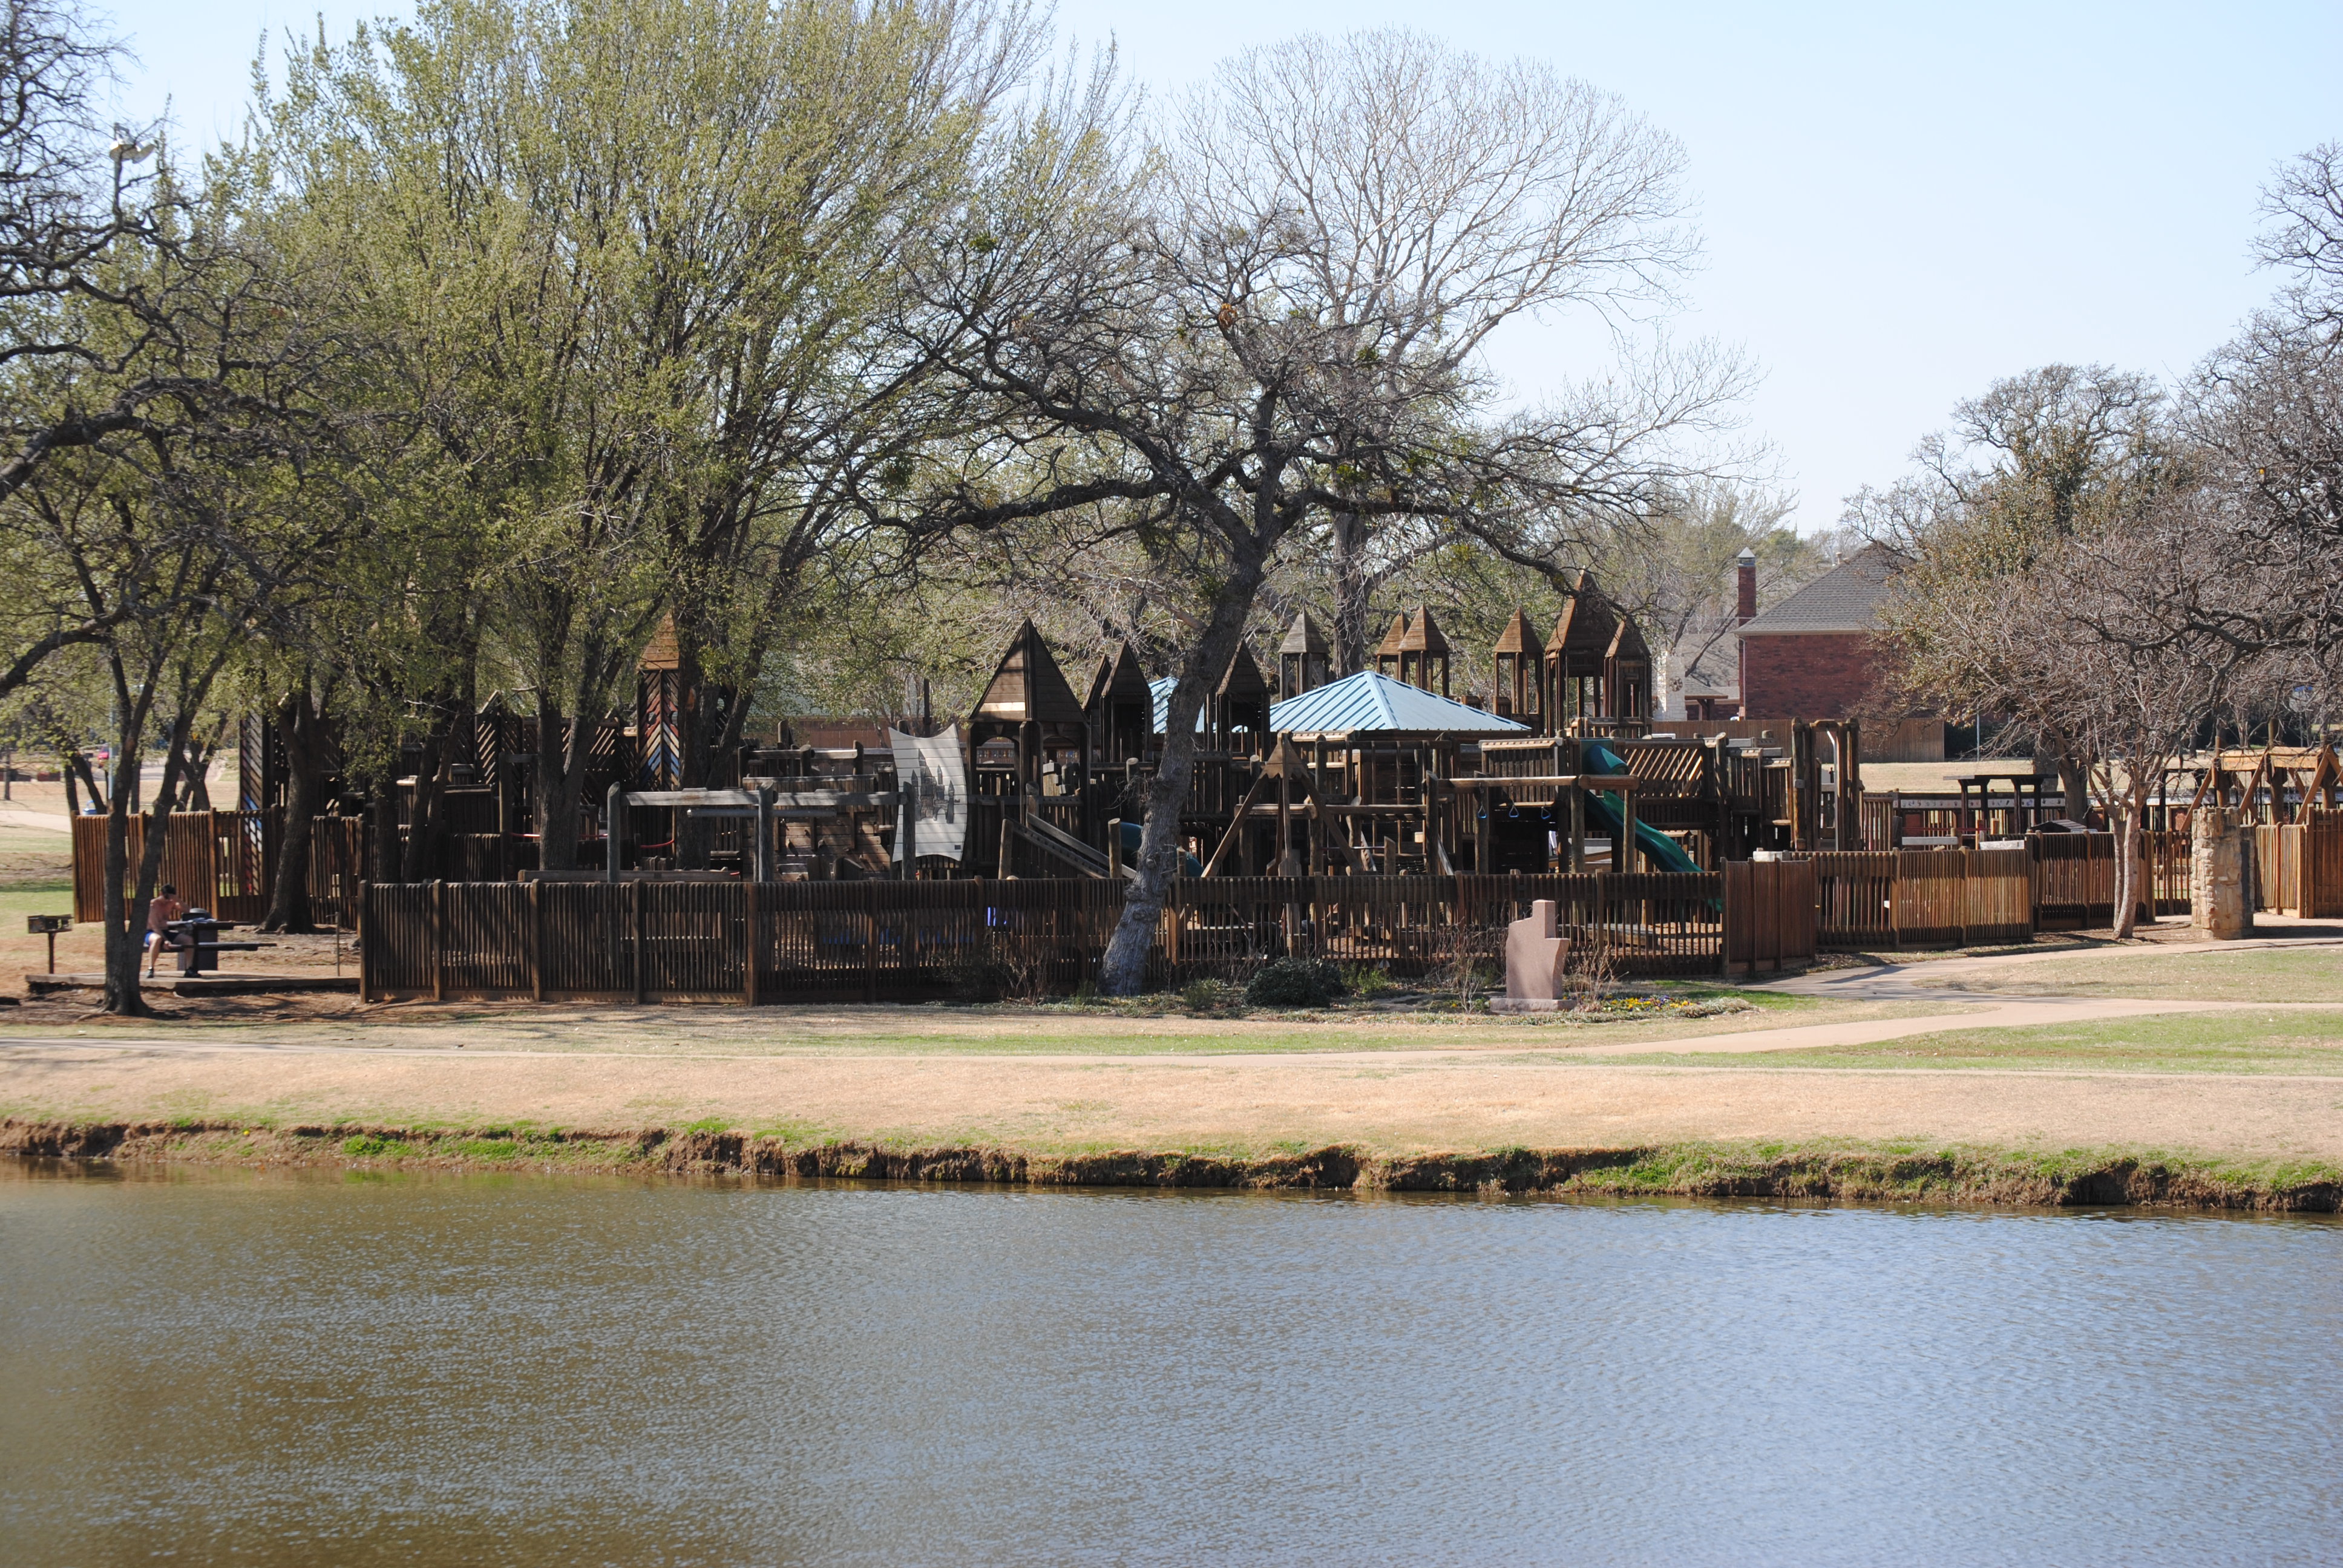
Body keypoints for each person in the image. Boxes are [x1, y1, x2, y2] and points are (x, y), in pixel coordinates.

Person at [145, 884, 187, 977]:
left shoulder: (171, 903)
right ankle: (151, 968)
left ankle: (189, 969)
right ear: (161, 894)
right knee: (157, 939)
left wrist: (178, 900)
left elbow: (187, 910)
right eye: (166, 897)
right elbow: (155, 926)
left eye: (171, 898)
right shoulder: (153, 905)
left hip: (165, 931)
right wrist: (165, 940)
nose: (168, 900)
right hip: (151, 932)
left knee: (188, 940)